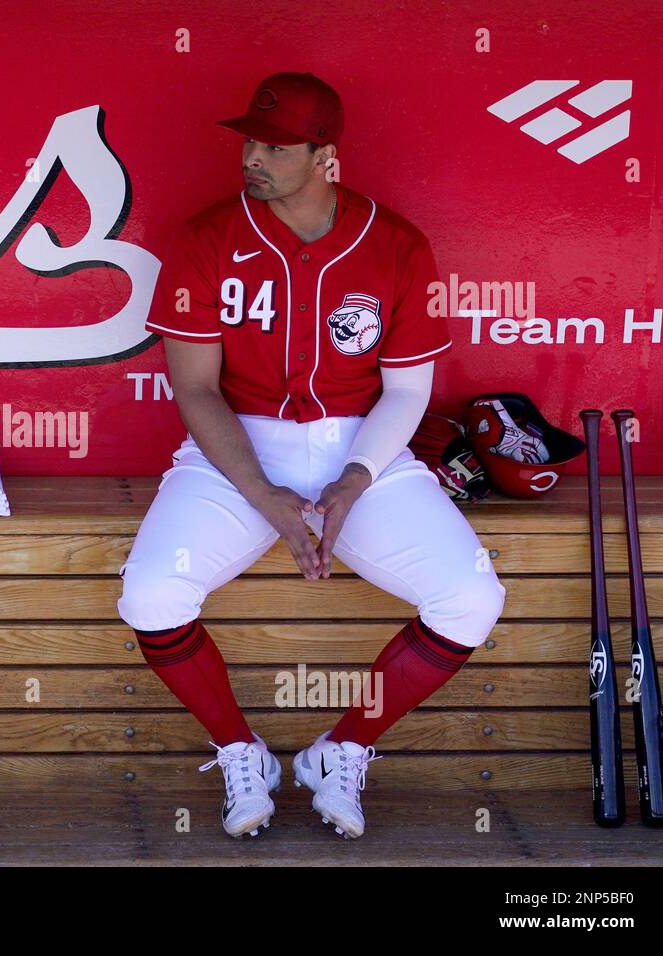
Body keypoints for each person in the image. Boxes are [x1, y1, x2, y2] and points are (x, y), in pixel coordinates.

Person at [117, 72, 506, 840]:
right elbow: (196, 391)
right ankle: (241, 750)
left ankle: (343, 749)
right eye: (250, 140)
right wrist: (268, 499)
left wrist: (354, 483)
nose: (252, 156)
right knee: (150, 595)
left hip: (362, 443)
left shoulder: (396, 245)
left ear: (325, 156)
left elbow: (405, 393)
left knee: (472, 601)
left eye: (275, 144)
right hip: (236, 449)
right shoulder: (206, 239)